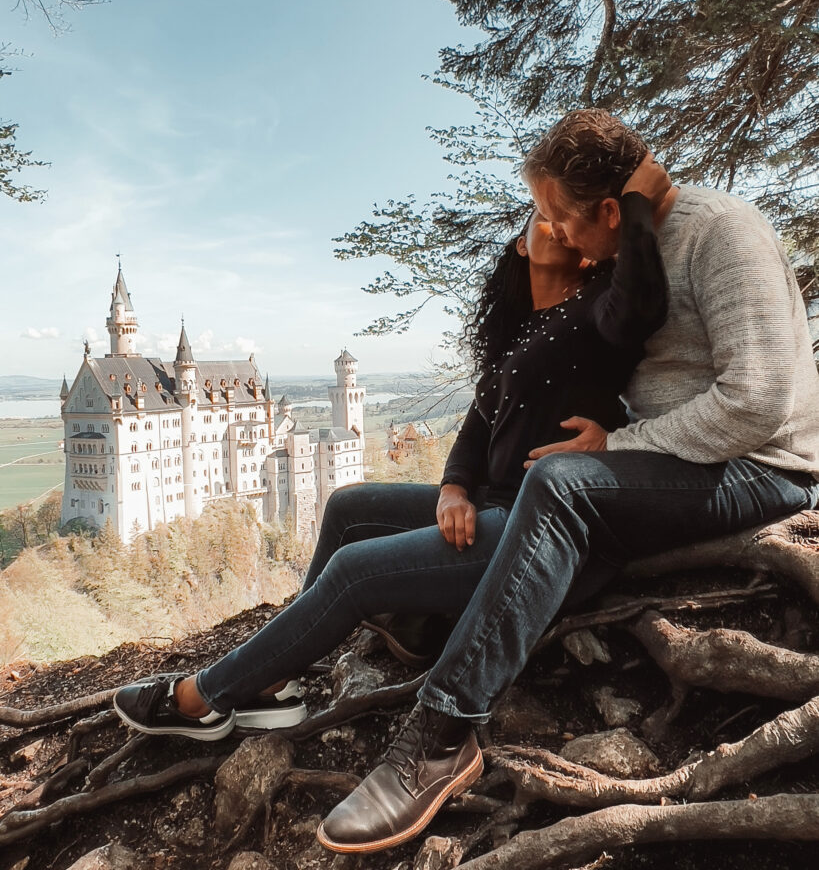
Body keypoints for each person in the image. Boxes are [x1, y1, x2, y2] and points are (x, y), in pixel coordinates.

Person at [317, 109, 819, 855]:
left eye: (559, 218)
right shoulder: (629, 248)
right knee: (529, 487)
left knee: (562, 484)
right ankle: (421, 625)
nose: (553, 234)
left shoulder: (723, 232)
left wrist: (616, 444)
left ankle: (440, 736)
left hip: (761, 467)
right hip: (677, 460)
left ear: (609, 211)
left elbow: (756, 401)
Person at [112, 146, 668, 749]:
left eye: (564, 217)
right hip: (488, 504)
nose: (556, 223)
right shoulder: (521, 332)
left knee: (355, 571)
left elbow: (642, 300)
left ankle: (201, 701)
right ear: (519, 245)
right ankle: (276, 680)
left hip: (533, 529)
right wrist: (452, 489)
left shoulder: (599, 311)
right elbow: (478, 427)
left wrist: (635, 201)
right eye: (542, 215)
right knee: (347, 507)